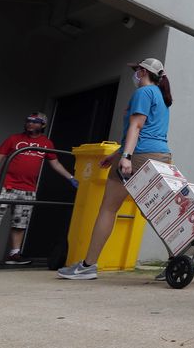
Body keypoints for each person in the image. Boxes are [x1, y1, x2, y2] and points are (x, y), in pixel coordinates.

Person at [58, 58, 173, 280]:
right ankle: (175, 260)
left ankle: (87, 266)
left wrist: (126, 156)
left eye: (136, 71)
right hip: (160, 156)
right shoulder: (161, 96)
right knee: (155, 213)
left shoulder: (143, 92)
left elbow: (137, 126)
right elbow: (149, 130)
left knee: (108, 209)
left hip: (139, 156)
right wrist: (115, 154)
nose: (135, 75)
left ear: (143, 71)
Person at [0, 112, 78, 265]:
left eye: (35, 122)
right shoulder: (14, 139)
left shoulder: (46, 143)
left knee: (20, 222)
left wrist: (70, 177)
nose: (30, 124)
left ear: (43, 125)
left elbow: (55, 163)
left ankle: (14, 254)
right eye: (28, 121)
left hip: (28, 188)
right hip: (7, 185)